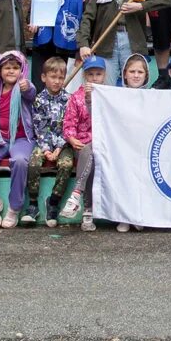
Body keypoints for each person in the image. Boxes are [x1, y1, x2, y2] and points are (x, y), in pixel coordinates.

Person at [77, 0, 166, 80]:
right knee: (107, 87)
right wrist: (83, 44)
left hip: (133, 42)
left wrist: (140, 6)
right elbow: (87, 18)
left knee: (134, 87)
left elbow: (165, 0)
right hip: (106, 44)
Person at [0, 52, 38, 229]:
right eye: (7, 68)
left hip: (21, 138)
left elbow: (31, 93)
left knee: (19, 161)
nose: (11, 71)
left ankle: (14, 207)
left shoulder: (24, 86)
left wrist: (27, 86)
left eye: (15, 67)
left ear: (22, 70)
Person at [21, 57, 76, 226]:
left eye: (60, 78)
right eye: (53, 77)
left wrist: (58, 149)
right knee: (33, 162)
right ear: (44, 77)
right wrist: (46, 150)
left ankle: (53, 202)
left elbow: (69, 126)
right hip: (43, 143)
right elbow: (39, 127)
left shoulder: (69, 99)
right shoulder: (38, 100)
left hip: (64, 144)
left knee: (66, 164)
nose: (57, 81)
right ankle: (32, 204)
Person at [57, 56, 108, 231]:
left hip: (104, 144)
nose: (94, 78)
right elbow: (69, 123)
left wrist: (91, 100)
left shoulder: (109, 96)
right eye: (90, 74)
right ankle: (87, 209)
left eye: (98, 74)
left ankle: (77, 198)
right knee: (89, 154)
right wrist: (71, 138)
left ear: (104, 76)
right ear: (85, 76)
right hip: (82, 144)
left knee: (93, 151)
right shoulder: (75, 97)